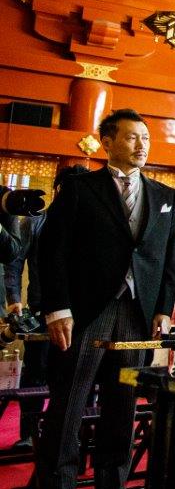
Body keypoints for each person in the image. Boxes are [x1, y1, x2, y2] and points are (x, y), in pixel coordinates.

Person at [35, 109, 175, 489]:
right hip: (86, 309)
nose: (141, 145)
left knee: (124, 399)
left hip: (138, 311)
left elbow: (170, 259)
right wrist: (56, 308)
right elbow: (54, 252)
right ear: (108, 142)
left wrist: (162, 310)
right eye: (132, 137)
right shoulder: (81, 189)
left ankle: (110, 483)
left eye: (146, 138)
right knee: (70, 398)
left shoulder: (166, 196)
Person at [11, 165, 90, 451]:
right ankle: (27, 433)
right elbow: (16, 261)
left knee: (79, 372)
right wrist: (12, 296)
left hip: (80, 310)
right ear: (58, 189)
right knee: (35, 370)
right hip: (40, 307)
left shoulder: (88, 222)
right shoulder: (36, 222)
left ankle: (77, 431)